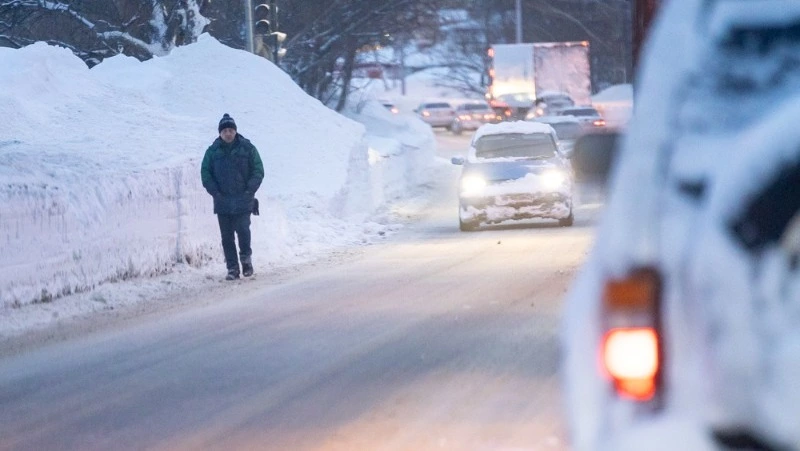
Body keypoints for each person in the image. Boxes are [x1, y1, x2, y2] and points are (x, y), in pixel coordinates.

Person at [201, 113, 264, 280]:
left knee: (243, 231)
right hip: (222, 202)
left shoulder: (248, 148)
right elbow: (205, 173)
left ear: (235, 131)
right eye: (225, 131)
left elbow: (258, 170)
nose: (228, 133)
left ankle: (246, 261)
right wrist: (215, 192)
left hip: (244, 199)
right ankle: (232, 268)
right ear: (220, 133)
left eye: (230, 130)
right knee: (226, 237)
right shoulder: (212, 152)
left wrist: (250, 190)